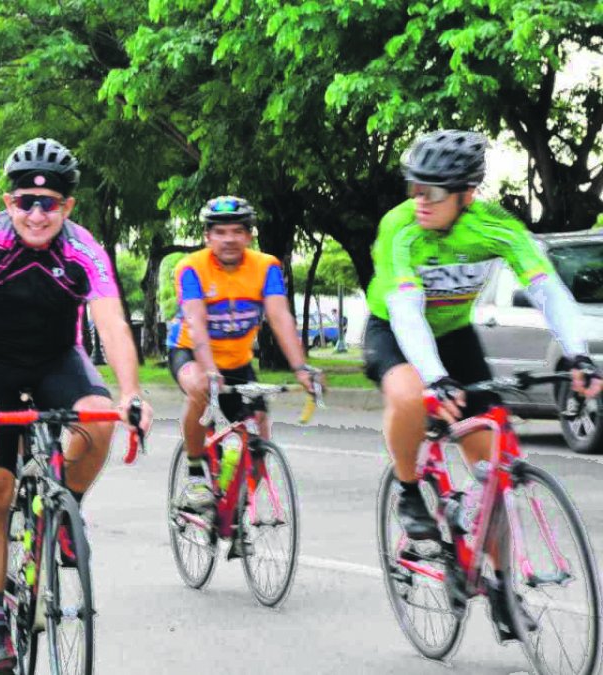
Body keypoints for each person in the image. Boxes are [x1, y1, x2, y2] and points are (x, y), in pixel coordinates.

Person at [0, 138, 152, 672]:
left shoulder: (84, 248)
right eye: (25, 201)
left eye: (51, 203)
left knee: (99, 418)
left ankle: (68, 509)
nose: (37, 213)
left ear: (68, 207)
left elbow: (110, 322)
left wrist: (131, 391)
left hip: (57, 360)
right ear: (8, 201)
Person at [364, 129, 601, 641]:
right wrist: (436, 380)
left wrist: (579, 353)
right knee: (409, 396)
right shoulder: (400, 228)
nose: (419, 200)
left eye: (433, 191)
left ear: (467, 194)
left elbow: (548, 290)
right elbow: (406, 311)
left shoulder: (495, 227)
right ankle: (409, 491)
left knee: (490, 459)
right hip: (396, 332)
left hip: (454, 334)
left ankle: (499, 585)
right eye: (414, 188)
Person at [166, 196, 319, 512]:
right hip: (191, 354)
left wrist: (302, 368)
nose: (229, 239)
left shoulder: (266, 267)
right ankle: (196, 473)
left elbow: (279, 317)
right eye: (220, 232)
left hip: (237, 361)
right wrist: (209, 370)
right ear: (207, 237)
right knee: (197, 388)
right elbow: (196, 323)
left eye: (237, 231)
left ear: (250, 236)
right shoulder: (191, 268)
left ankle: (235, 508)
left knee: (259, 431)